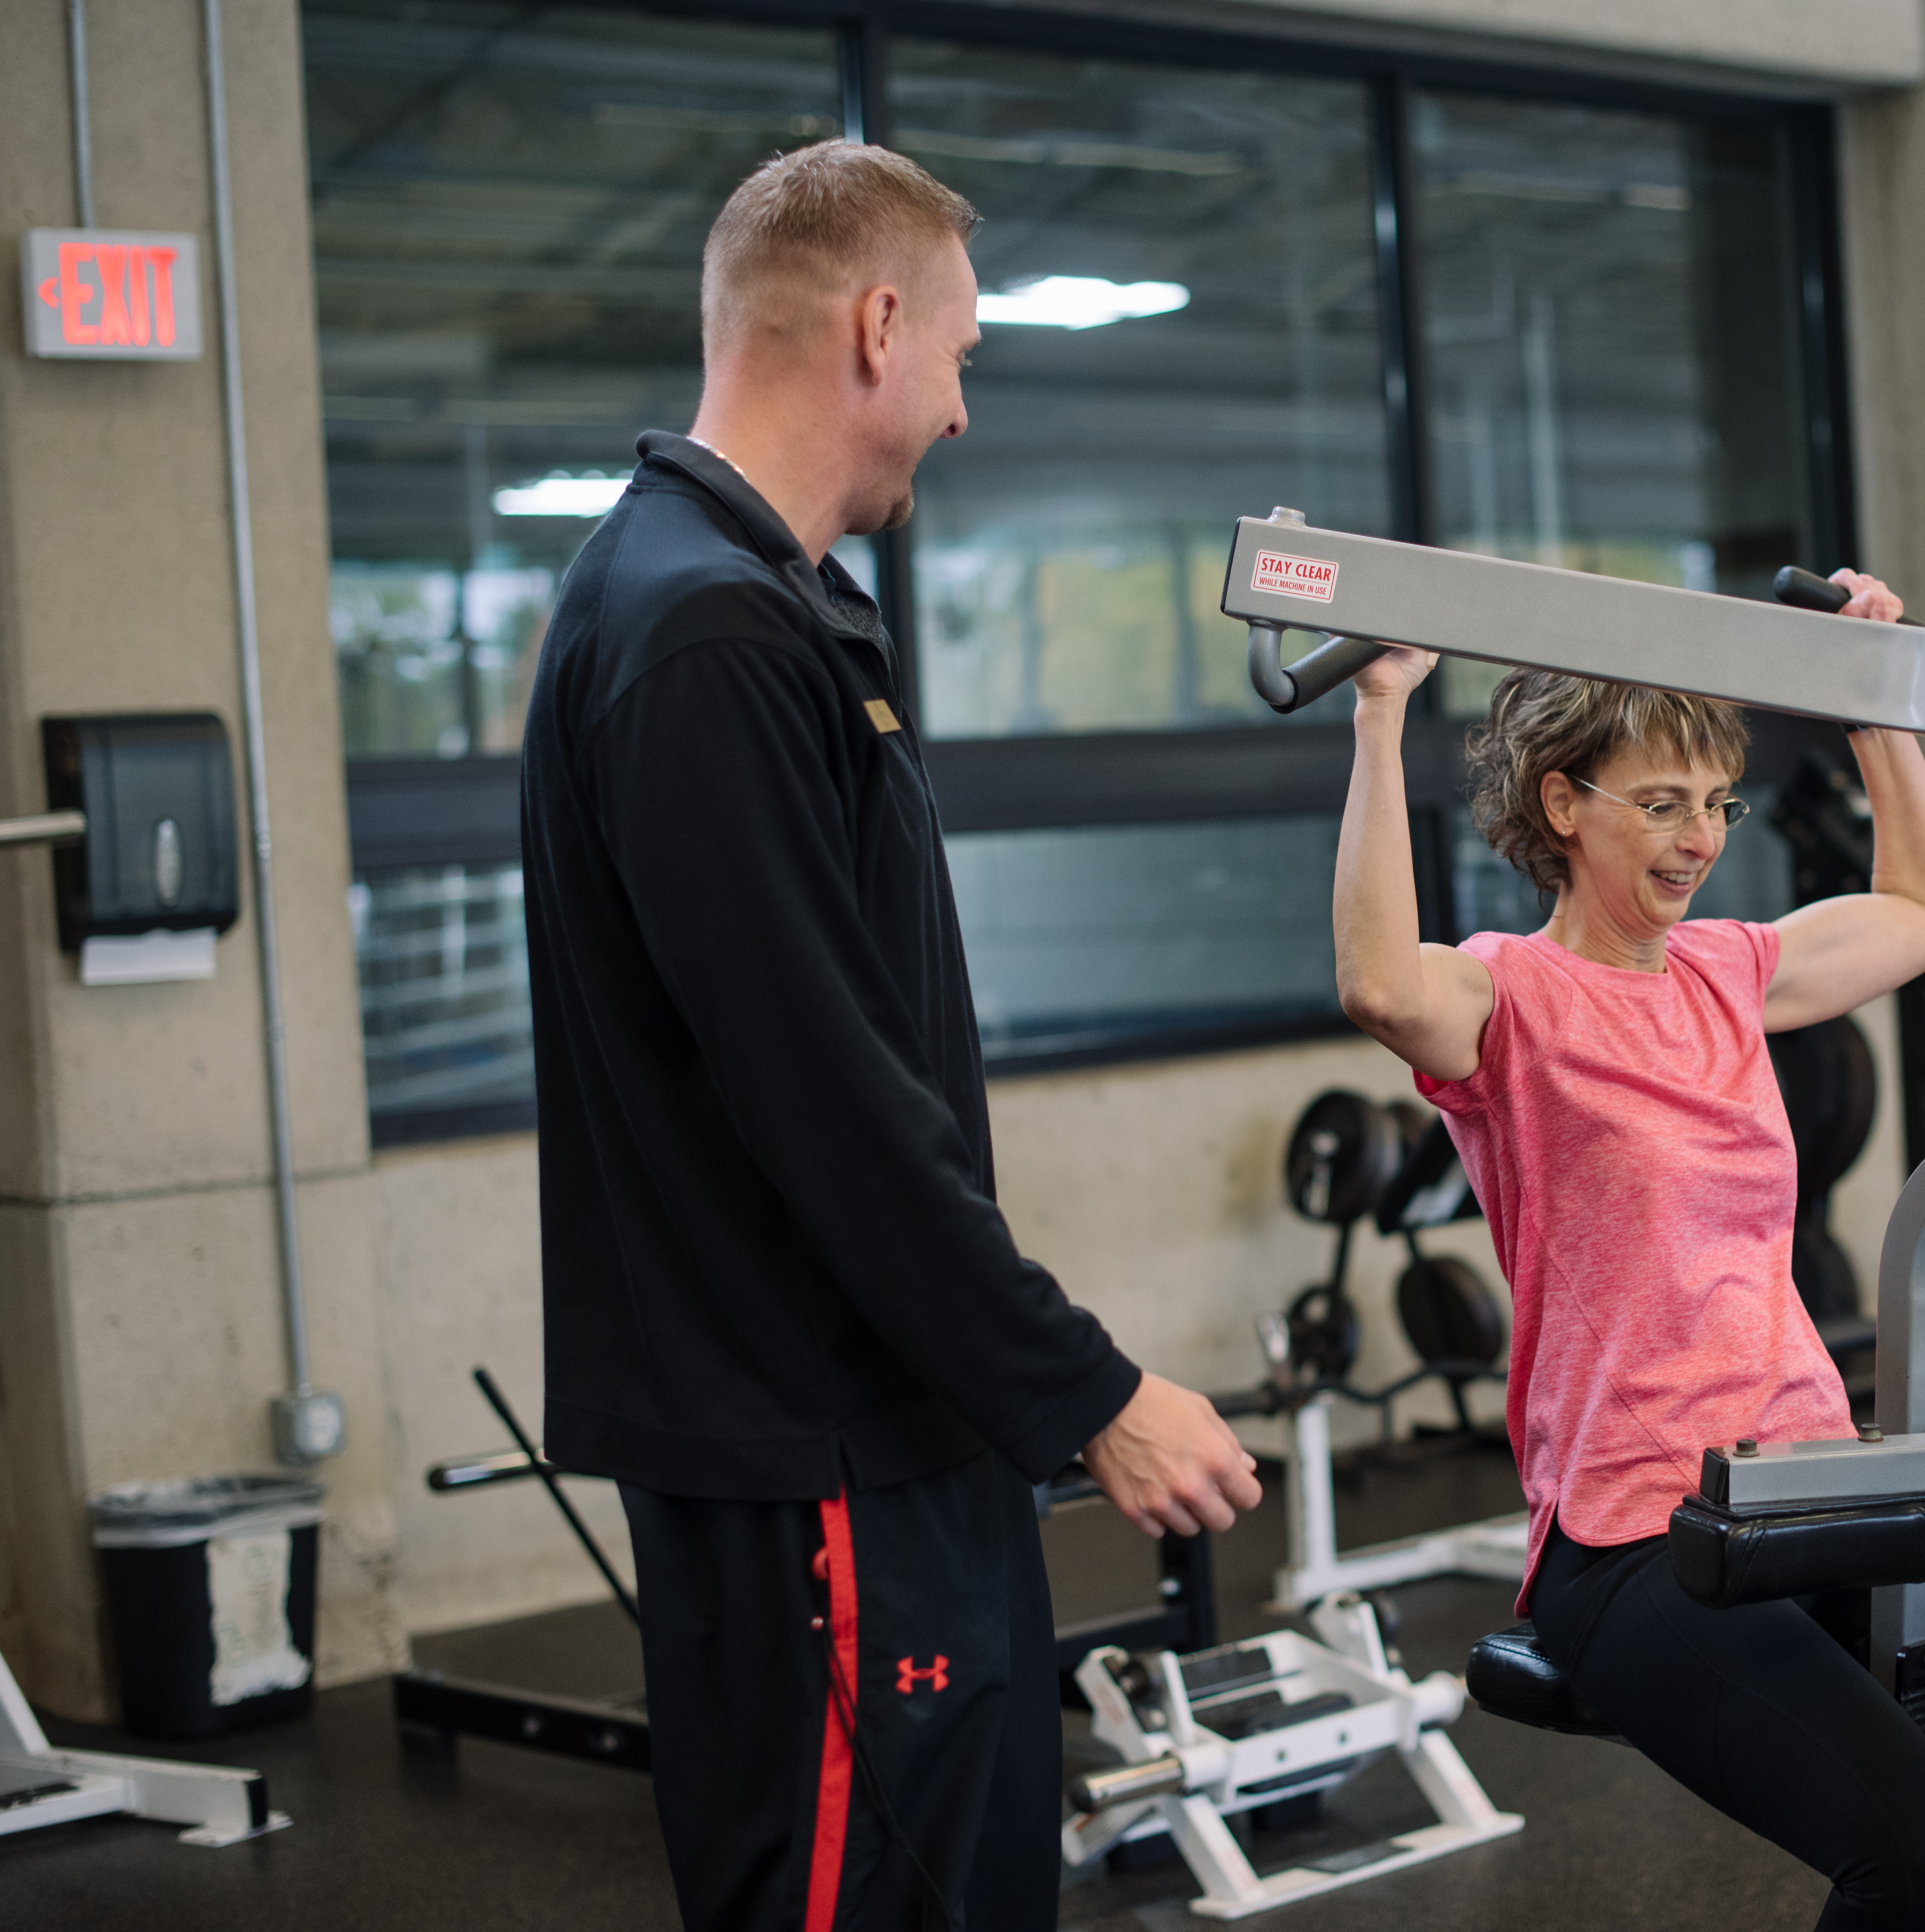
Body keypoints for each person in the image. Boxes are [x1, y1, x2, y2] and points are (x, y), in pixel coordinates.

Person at [520, 142, 1261, 1932]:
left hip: (879, 1436)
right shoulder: (700, 634)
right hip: (817, 1454)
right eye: (960, 356)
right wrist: (1085, 1391)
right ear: (873, 326)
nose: (958, 409)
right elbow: (830, 1104)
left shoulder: (751, 608)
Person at [1331, 596, 1925, 1932]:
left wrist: (1871, 702)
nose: (1703, 841)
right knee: (1921, 1848)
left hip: (1815, 1484)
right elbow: (1383, 984)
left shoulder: (1730, 971)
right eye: (1664, 804)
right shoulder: (1509, 1000)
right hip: (1636, 1535)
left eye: (1719, 804)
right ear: (1565, 804)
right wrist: (1382, 706)